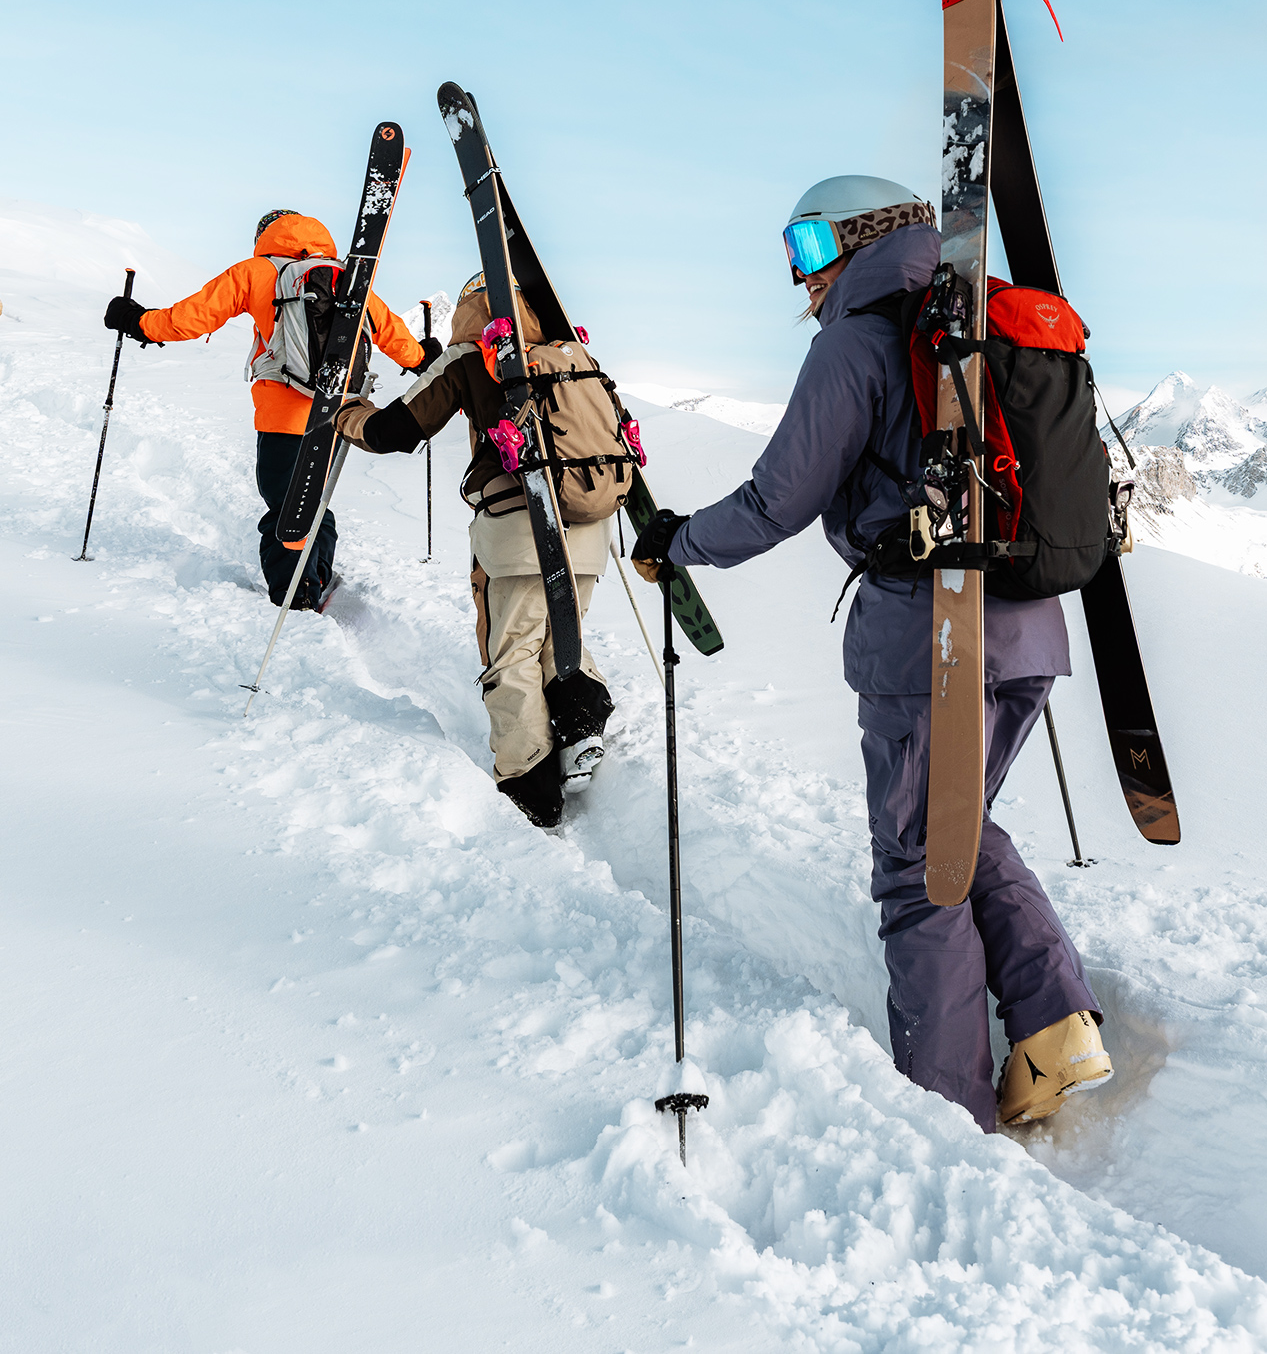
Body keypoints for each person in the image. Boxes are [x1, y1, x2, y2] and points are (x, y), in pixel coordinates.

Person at [631, 175, 1113, 1133]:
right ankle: (1058, 1027)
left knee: (916, 865)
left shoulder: (857, 341)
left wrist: (676, 540)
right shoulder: (976, 323)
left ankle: (946, 1112)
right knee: (957, 828)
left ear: (860, 239)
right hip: (1029, 628)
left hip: (927, 640)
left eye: (809, 247)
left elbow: (777, 500)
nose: (800, 277)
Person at [334, 272, 621, 829]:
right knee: (561, 631)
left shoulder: (471, 355)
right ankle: (582, 721)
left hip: (516, 526)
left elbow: (396, 429)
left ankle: (528, 781)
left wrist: (346, 414)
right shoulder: (571, 353)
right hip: (588, 525)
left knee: (510, 646)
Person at [103, 210, 433, 609]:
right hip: (337, 412)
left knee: (286, 503)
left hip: (282, 415)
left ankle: (294, 595)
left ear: (265, 235)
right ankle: (316, 577)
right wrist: (422, 357)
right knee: (316, 496)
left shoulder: (258, 271)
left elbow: (190, 319)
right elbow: (391, 331)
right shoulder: (346, 275)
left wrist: (136, 321)